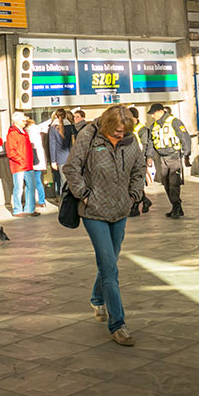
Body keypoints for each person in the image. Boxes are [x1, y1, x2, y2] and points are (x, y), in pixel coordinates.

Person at [62, 105, 146, 346]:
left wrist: (133, 195)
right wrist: (85, 195)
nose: (121, 135)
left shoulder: (130, 140)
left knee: (111, 260)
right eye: (117, 131)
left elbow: (139, 169)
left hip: (120, 209)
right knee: (109, 266)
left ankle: (97, 298)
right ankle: (118, 324)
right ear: (108, 126)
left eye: (125, 131)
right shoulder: (89, 136)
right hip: (94, 211)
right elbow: (71, 168)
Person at [145, 103, 192, 219]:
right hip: (162, 158)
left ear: (161, 111)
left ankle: (176, 206)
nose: (152, 116)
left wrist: (186, 155)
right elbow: (151, 142)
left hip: (174, 156)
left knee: (173, 183)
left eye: (153, 113)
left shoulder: (174, 122)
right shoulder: (154, 126)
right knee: (166, 183)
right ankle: (176, 207)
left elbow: (185, 138)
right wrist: (149, 157)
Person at [6, 111, 37, 217]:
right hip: (19, 166)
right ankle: (17, 210)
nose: (25, 122)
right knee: (19, 188)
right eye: (23, 120)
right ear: (17, 121)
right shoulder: (12, 134)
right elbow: (11, 152)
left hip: (27, 164)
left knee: (31, 186)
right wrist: (21, 160)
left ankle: (29, 209)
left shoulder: (24, 133)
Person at [127, 107, 153, 216]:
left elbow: (146, 145)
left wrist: (148, 158)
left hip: (139, 161)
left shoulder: (142, 130)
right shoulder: (127, 128)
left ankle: (135, 207)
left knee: (136, 184)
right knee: (131, 184)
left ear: (135, 117)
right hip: (129, 160)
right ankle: (145, 201)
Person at [26, 116, 48, 208]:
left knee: (32, 182)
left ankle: (34, 201)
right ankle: (42, 200)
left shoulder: (28, 131)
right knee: (38, 181)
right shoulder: (37, 130)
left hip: (33, 160)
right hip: (39, 159)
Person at [49, 109, 72, 196]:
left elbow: (52, 145)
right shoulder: (71, 127)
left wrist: (53, 161)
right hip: (70, 157)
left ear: (55, 116)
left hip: (60, 158)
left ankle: (64, 203)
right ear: (66, 116)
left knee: (63, 182)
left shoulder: (53, 128)